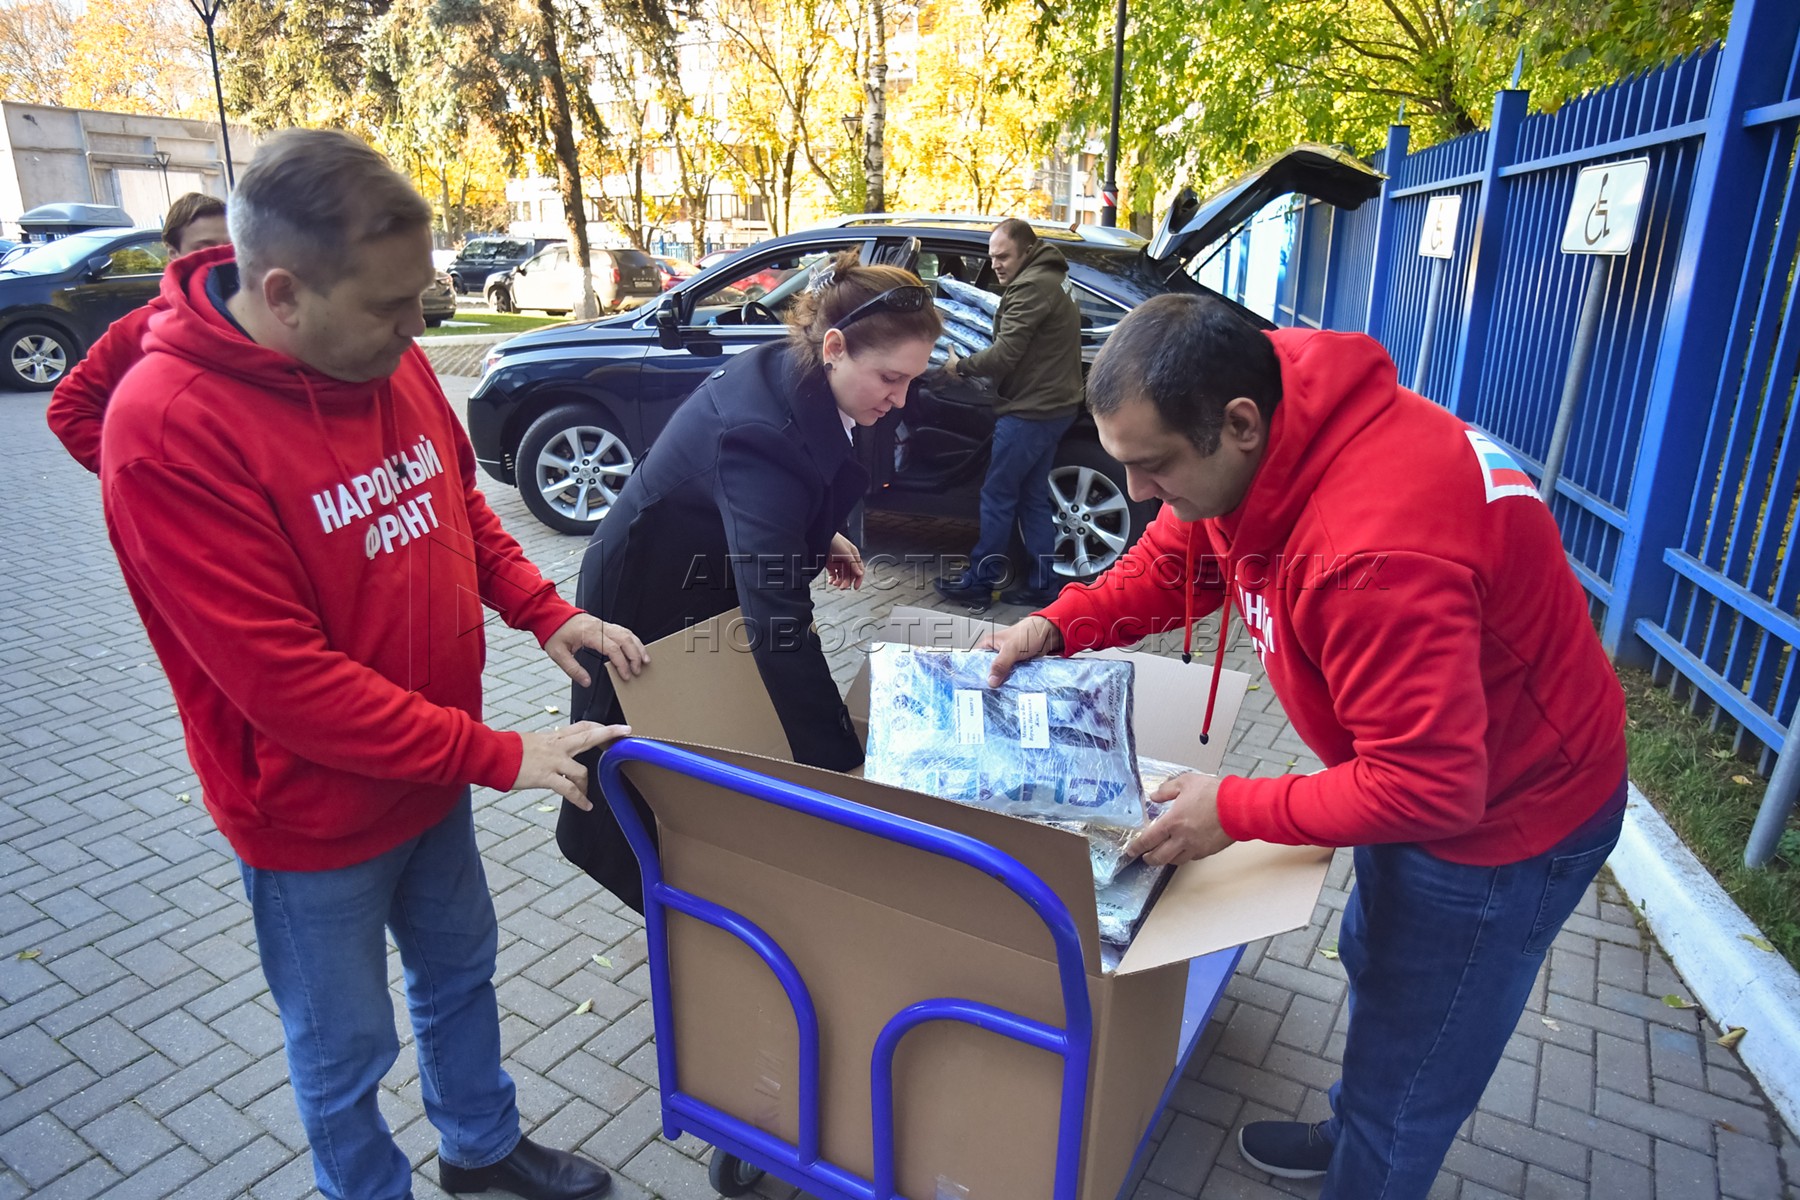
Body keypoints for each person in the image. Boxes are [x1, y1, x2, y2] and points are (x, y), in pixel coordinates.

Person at [100, 129, 649, 1200]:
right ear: (284, 291)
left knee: (460, 977)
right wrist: (498, 752)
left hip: (430, 775)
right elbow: (286, 685)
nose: (419, 330)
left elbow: (454, 509)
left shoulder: (385, 365)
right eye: (391, 307)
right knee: (344, 1047)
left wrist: (545, 613)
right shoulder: (169, 429)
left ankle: (481, 1153)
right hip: (311, 817)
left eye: (422, 298)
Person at [982, 294, 1628, 1200]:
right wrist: (1054, 626)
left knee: (1418, 1059)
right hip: (1431, 773)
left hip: (1510, 822)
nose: (1133, 494)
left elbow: (1431, 787)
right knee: (1380, 959)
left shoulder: (1378, 553)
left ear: (1238, 426)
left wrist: (1234, 811)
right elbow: (1176, 559)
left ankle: (1372, 1153)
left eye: (1154, 465)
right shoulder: (1260, 409)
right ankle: (1352, 1122)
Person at [558, 250, 942, 913]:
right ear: (834, 347)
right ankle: (660, 907)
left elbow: (788, 485)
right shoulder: (760, 429)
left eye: (912, 380)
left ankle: (696, 889)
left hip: (706, 568)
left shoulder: (801, 376)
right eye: (890, 378)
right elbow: (779, 624)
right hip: (642, 590)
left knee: (698, 739)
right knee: (618, 753)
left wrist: (820, 533)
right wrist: (837, 762)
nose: (900, 398)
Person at [933, 217, 1084, 609]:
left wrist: (959, 368)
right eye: (992, 257)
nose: (996, 264)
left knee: (998, 495)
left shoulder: (1032, 286)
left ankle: (981, 583)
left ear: (1027, 251)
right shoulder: (1051, 278)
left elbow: (1004, 354)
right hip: (1054, 405)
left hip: (1031, 411)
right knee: (1032, 497)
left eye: (1004, 256)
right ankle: (1042, 584)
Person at [46, 192, 232, 472]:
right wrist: (127, 465)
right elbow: (68, 407)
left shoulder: (265, 323)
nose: (218, 258)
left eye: (229, 247)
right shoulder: (136, 329)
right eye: (204, 248)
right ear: (173, 253)